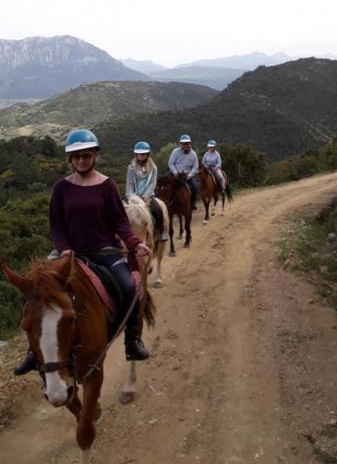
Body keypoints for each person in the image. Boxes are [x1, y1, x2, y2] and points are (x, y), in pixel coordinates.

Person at [14, 128, 151, 376]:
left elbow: (120, 222)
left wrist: (134, 243)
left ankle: (132, 341)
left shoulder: (107, 186)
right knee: (35, 290)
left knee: (130, 287)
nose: (81, 160)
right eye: (76, 156)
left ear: (94, 155)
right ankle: (33, 353)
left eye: (86, 155)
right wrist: (64, 249)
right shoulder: (60, 189)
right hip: (69, 254)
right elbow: (56, 225)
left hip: (105, 251)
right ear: (70, 159)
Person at [125, 141, 167, 240]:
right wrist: (130, 196)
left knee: (157, 209)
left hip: (147, 196)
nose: (141, 156)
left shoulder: (153, 168)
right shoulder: (131, 168)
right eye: (139, 154)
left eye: (143, 154)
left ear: (147, 154)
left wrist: (147, 196)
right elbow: (129, 183)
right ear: (136, 154)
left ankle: (161, 232)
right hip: (133, 195)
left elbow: (152, 183)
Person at [168, 134, 199, 210]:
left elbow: (195, 167)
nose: (185, 145)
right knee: (164, 185)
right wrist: (175, 172)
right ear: (180, 144)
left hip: (187, 175)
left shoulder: (193, 154)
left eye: (187, 143)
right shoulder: (175, 152)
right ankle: (166, 203)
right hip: (175, 174)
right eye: (183, 144)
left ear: (190, 143)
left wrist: (190, 175)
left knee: (194, 187)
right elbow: (170, 163)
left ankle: (192, 203)